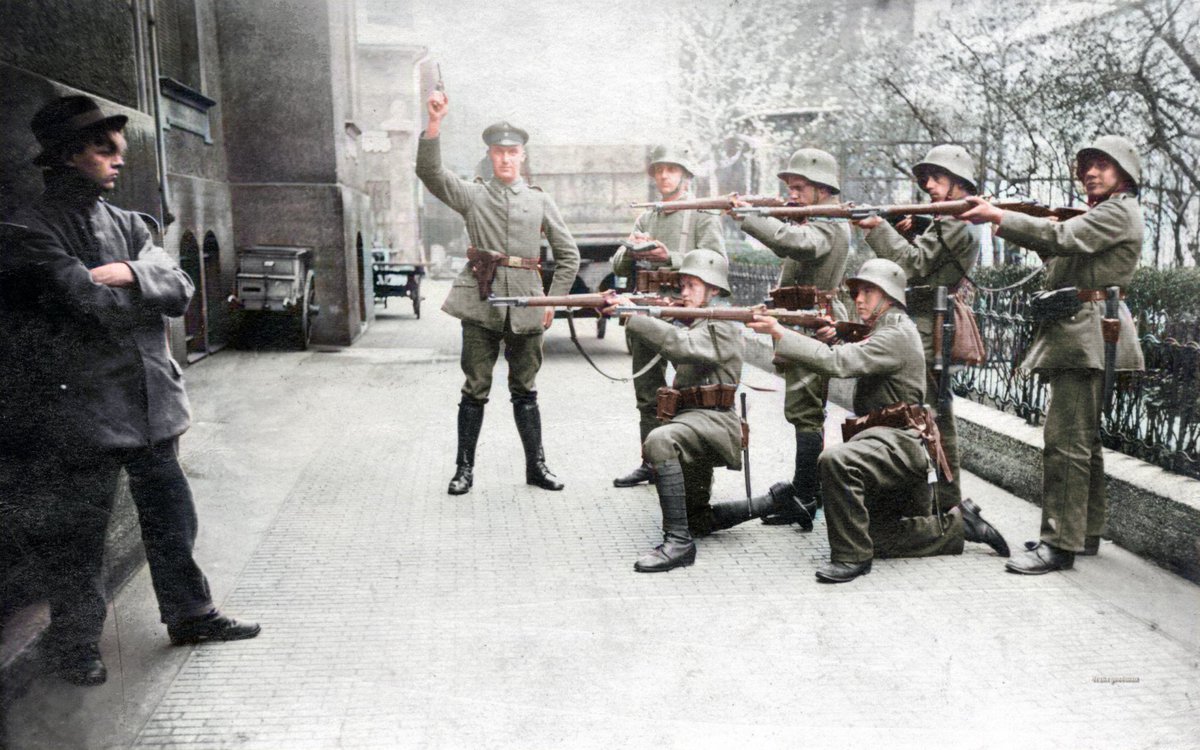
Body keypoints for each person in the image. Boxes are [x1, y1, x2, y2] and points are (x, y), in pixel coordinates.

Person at [1, 95, 259, 686]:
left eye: (118, 150)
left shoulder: (132, 224)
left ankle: (192, 615)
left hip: (150, 408)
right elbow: (82, 301)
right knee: (79, 536)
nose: (117, 161)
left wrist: (131, 272)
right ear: (67, 157)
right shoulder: (30, 229)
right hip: (84, 411)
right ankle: (75, 647)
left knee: (172, 519)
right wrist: (142, 284)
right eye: (103, 150)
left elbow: (180, 289)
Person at [744, 259, 1010, 583]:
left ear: (890, 295)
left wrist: (780, 333)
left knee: (835, 461)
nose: (858, 299)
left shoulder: (895, 334)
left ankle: (851, 558)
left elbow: (838, 363)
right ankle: (957, 525)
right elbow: (856, 352)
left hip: (900, 442)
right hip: (886, 443)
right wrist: (835, 335)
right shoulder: (886, 329)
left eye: (868, 291)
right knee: (873, 535)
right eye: (857, 292)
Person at [959, 135, 1145, 574]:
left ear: (1125, 174)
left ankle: (1058, 544)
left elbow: (1063, 236)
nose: (1091, 173)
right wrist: (1018, 221)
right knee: (1083, 443)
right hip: (1087, 333)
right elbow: (1062, 252)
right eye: (1086, 166)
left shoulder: (1118, 210)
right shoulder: (1105, 213)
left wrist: (1000, 216)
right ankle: (1083, 534)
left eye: (1102, 165)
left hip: (1089, 336)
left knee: (1064, 443)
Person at [416, 90, 580, 496]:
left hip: (527, 305)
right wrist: (435, 123)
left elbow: (568, 255)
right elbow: (430, 174)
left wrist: (552, 303)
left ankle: (537, 468)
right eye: (498, 152)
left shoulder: (539, 201)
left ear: (522, 156)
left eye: (513, 152)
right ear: (489, 155)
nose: (506, 159)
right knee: (475, 388)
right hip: (481, 303)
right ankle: (463, 470)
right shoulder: (473, 195)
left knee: (525, 389)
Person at [852, 144, 981, 515]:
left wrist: (879, 230)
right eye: (926, 179)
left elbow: (915, 265)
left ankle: (944, 503)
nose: (929, 185)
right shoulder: (945, 220)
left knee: (926, 412)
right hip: (923, 320)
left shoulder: (957, 222)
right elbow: (925, 253)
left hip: (929, 324)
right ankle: (937, 501)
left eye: (937, 178)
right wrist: (910, 228)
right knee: (929, 410)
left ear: (959, 182)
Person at [728, 148, 850, 528]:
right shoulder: (815, 218)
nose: (792, 195)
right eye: (790, 188)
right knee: (802, 411)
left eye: (800, 188)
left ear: (823, 189)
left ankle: (806, 496)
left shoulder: (828, 224)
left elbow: (794, 243)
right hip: (802, 323)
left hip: (813, 326)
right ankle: (804, 490)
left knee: (806, 412)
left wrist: (751, 217)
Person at [602, 250, 744, 572]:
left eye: (692, 285)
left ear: (715, 290)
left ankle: (679, 544)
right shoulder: (700, 320)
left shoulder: (724, 321)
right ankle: (774, 501)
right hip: (693, 422)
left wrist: (633, 315)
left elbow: (683, 345)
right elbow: (680, 334)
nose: (683, 292)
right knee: (697, 517)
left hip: (714, 422)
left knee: (659, 440)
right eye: (682, 285)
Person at [610, 146, 726, 489]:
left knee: (692, 390)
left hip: (686, 313)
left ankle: (690, 468)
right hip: (650, 311)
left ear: (686, 176)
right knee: (648, 392)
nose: (664, 176)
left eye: (672, 170)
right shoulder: (648, 216)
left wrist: (671, 257)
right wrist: (631, 248)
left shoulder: (701, 214)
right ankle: (652, 463)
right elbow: (618, 265)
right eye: (659, 170)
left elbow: (717, 261)